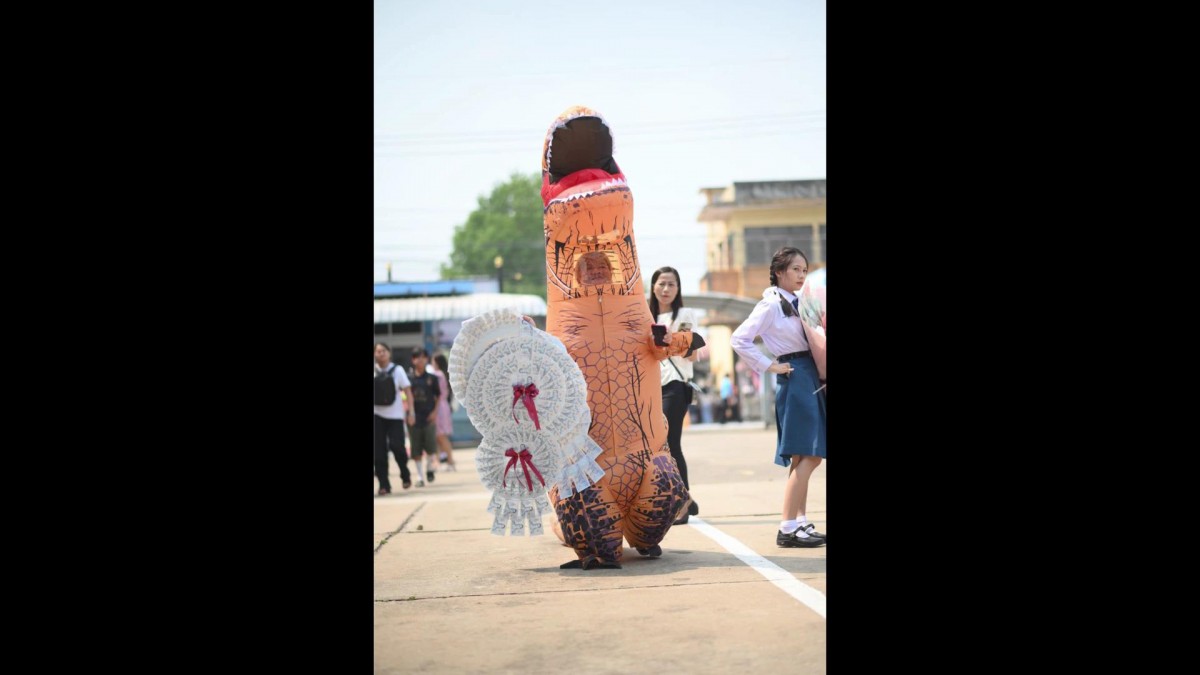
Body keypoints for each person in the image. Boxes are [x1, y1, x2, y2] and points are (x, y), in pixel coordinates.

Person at [730, 246, 827, 548]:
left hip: (808, 373)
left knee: (801, 455)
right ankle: (786, 527)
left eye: (804, 269)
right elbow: (739, 338)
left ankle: (798, 522)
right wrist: (769, 365)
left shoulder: (801, 301)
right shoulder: (770, 305)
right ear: (779, 272)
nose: (801, 275)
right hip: (795, 374)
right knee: (811, 453)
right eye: (795, 269)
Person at [649, 265, 701, 524]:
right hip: (648, 387)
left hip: (675, 385)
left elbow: (692, 354)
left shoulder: (685, 314)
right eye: (661, 283)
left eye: (671, 284)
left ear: (678, 288)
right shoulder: (644, 315)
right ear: (653, 286)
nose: (666, 289)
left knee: (670, 443)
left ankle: (682, 502)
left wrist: (672, 341)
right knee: (654, 446)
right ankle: (678, 499)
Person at [374, 342, 415, 495]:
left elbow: (408, 392)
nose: (381, 354)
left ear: (389, 353)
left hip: (395, 416)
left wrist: (411, 413)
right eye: (378, 351)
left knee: (397, 447)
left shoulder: (397, 370)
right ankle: (384, 484)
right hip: (377, 416)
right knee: (378, 453)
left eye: (383, 351)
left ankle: (405, 473)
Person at [407, 347, 441, 486]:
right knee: (416, 448)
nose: (419, 360)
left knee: (431, 447)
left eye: (422, 357)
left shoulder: (432, 378)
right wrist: (409, 414)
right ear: (412, 360)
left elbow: (438, 396)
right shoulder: (408, 378)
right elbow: (404, 397)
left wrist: (434, 413)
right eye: (416, 357)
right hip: (414, 418)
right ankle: (420, 477)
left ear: (427, 359)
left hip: (428, 417)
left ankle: (429, 468)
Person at [431, 353, 457, 471]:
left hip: (439, 407)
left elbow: (436, 393)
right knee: (439, 436)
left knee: (440, 435)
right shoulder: (443, 375)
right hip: (443, 406)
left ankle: (449, 461)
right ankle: (444, 461)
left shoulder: (437, 375)